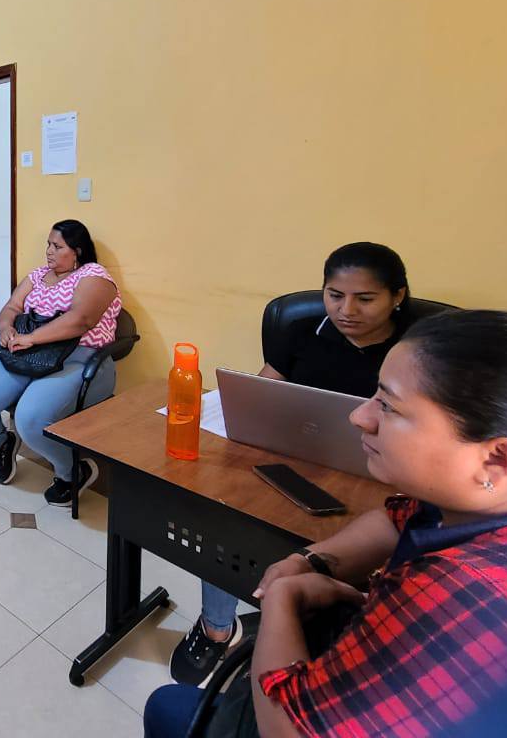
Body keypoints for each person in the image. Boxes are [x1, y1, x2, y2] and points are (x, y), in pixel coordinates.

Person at [143, 310, 507, 737]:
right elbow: (399, 517)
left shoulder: (472, 596)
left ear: (500, 459)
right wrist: (313, 561)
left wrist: (283, 599)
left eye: (389, 406)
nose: (360, 417)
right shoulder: (506, 500)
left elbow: (287, 732)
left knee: (167, 707)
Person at [170, 241, 414, 686]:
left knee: (337, 553)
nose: (346, 311)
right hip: (285, 464)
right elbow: (264, 391)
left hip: (372, 480)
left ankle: (304, 637)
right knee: (223, 516)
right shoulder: (302, 332)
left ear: (397, 296)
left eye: (365, 298)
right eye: (335, 296)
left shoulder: (414, 354)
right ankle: (218, 626)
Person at [0, 220, 122, 506]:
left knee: (31, 419)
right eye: (48, 244)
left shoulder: (93, 275)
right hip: (31, 355)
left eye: (57, 246)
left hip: (79, 359)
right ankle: (1, 442)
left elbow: (81, 319)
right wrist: (6, 328)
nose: (49, 251)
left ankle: (73, 472)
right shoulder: (38, 275)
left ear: (77, 251)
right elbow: (12, 307)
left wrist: (32, 338)